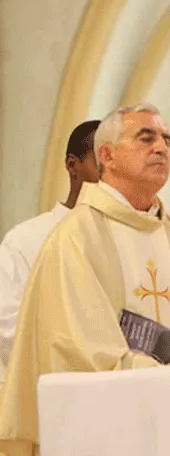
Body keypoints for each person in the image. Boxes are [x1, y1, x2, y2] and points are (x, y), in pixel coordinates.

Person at [0, 104, 170, 455]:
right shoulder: (74, 238)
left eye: (166, 140)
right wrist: (167, 383)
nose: (161, 147)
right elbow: (82, 346)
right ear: (107, 155)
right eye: (146, 138)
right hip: (106, 434)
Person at [0, 120, 101, 379]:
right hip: (46, 395)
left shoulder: (126, 243)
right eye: (101, 163)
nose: (110, 177)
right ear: (72, 165)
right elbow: (8, 327)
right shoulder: (25, 241)